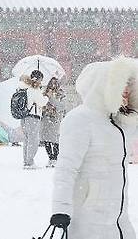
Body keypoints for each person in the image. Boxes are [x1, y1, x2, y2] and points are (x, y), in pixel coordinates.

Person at [51, 57, 138, 238]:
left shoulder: (121, 123)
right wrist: (61, 209)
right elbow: (66, 169)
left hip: (118, 217)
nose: (127, 90)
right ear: (104, 87)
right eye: (121, 85)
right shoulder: (80, 120)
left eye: (129, 84)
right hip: (88, 217)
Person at [18, 70, 49, 169]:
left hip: (24, 117)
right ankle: (29, 162)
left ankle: (26, 160)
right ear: (38, 79)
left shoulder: (25, 88)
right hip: (33, 117)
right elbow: (42, 102)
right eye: (41, 79)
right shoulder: (34, 90)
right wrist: (47, 96)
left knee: (27, 140)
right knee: (33, 141)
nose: (41, 82)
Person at [41, 77, 65, 168]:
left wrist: (51, 98)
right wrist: (45, 97)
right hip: (46, 118)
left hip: (55, 119)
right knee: (46, 139)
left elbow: (61, 106)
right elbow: (41, 104)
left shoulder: (61, 94)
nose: (53, 85)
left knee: (55, 139)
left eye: (55, 83)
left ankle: (55, 158)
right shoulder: (44, 93)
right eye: (51, 84)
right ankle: (50, 158)